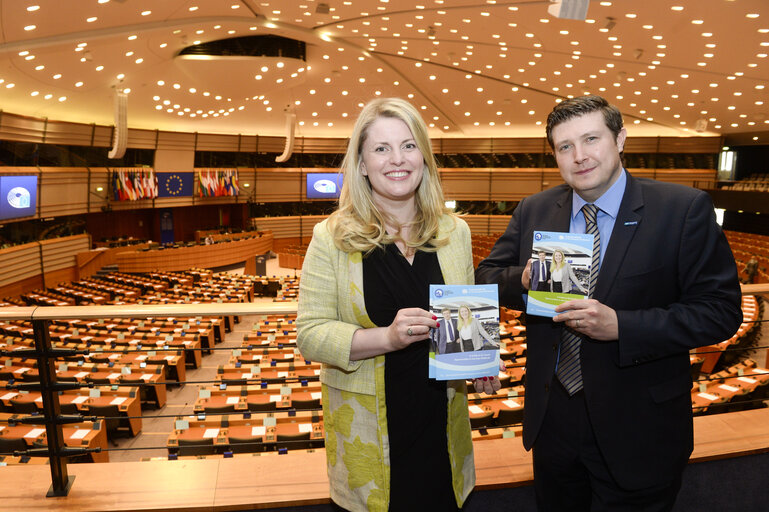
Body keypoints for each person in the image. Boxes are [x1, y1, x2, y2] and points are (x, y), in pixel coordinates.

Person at [476, 95, 742, 511]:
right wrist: (524, 280)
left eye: (591, 139)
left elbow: (721, 312)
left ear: (620, 139)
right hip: (554, 422)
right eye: (565, 147)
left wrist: (623, 326)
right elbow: (486, 278)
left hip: (639, 427)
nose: (579, 156)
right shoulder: (536, 209)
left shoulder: (681, 209)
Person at [297, 97, 492, 512]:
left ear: (423, 156)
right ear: (362, 164)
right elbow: (310, 335)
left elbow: (466, 319)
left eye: (408, 145)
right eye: (381, 149)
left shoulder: (455, 232)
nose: (397, 159)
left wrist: (479, 365)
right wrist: (386, 337)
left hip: (441, 429)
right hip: (369, 434)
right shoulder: (329, 238)